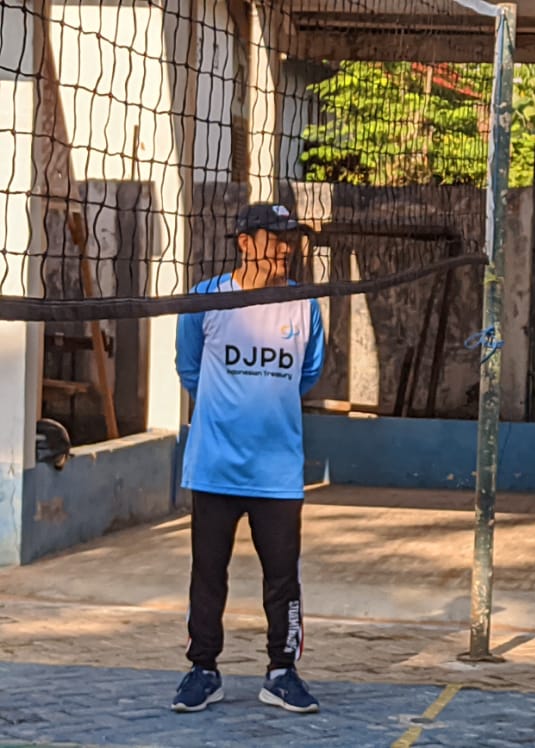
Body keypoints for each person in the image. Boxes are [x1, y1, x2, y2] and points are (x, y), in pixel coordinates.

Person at [171, 202, 326, 714]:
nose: (285, 248)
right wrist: (227, 413)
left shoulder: (305, 304)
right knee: (207, 573)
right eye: (275, 237)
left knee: (283, 579)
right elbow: (189, 369)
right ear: (244, 242)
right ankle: (203, 669)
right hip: (215, 466)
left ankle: (282, 672)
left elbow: (308, 374)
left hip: (277, 471)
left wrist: (263, 409)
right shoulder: (205, 300)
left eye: (290, 239)